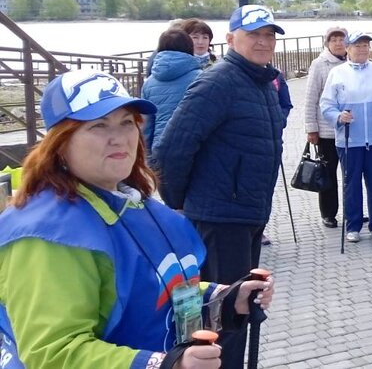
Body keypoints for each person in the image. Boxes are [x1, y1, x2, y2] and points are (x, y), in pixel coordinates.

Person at [0, 70, 274, 369]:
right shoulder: (48, 235)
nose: (118, 138)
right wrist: (164, 364)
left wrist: (225, 298)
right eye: (98, 126)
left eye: (127, 123)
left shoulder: (128, 203)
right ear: (60, 143)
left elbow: (151, 287)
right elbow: (53, 352)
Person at [154, 4, 287, 369]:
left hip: (248, 214)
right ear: (230, 39)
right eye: (254, 34)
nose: (263, 42)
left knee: (241, 311)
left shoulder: (261, 82)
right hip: (219, 217)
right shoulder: (219, 81)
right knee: (223, 318)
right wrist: (180, 203)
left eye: (268, 35)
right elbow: (170, 148)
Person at [320, 33, 372, 243]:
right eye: (358, 46)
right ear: (347, 48)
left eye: (365, 45)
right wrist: (338, 116)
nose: (362, 49)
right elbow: (326, 104)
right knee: (351, 183)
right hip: (349, 139)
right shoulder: (338, 73)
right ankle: (353, 225)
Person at [304, 26, 348, 228]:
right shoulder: (319, 64)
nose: (338, 43)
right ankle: (329, 212)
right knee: (328, 173)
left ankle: (352, 210)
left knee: (351, 173)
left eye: (342, 39)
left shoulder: (353, 61)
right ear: (327, 43)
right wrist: (311, 127)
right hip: (327, 130)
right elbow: (311, 97)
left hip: (350, 129)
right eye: (334, 39)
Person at [141, 29, 203, 152]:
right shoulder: (201, 78)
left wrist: (146, 159)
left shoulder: (148, 83)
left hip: (159, 149)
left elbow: (146, 127)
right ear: (189, 47)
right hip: (193, 148)